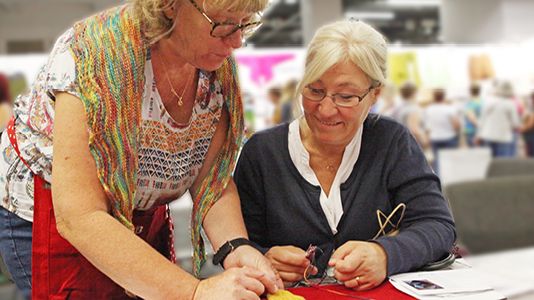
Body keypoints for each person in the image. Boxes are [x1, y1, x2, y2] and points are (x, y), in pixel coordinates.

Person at [0, 0, 283, 299]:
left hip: (134, 211)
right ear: (169, 5)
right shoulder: (93, 56)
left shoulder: (212, 63)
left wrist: (235, 247)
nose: (237, 41)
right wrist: (194, 292)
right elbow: (80, 217)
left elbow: (212, 178)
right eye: (224, 23)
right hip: (52, 215)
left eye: (245, 23)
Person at [234, 20, 456, 291]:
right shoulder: (262, 154)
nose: (326, 110)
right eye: (315, 91)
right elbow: (239, 243)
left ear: (374, 94)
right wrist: (263, 258)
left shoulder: (391, 143)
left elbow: (438, 225)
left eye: (346, 96)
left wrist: (385, 254)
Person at [424, 88, 460, 175]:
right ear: (444, 97)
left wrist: (427, 139)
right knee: (450, 161)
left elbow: (427, 127)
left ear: (434, 97)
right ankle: (450, 178)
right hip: (449, 138)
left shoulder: (429, 109)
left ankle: (439, 181)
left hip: (435, 138)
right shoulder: (450, 109)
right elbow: (456, 125)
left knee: (437, 161)